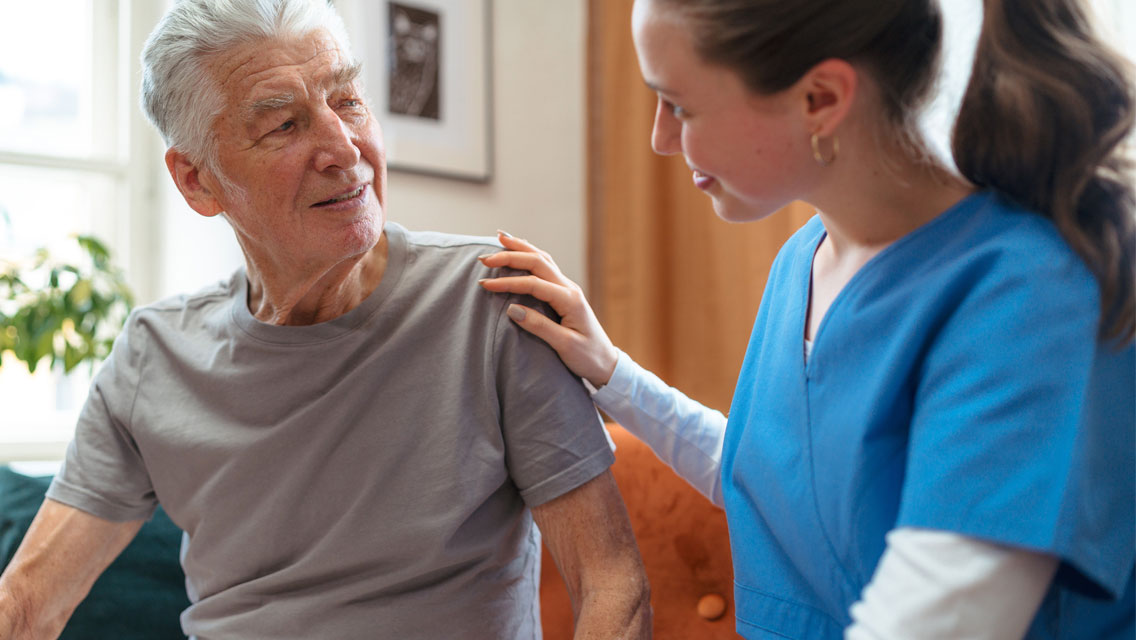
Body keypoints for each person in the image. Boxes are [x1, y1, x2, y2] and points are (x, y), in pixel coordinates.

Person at [478, 0, 1136, 637]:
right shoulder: (805, 259)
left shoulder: (1027, 295)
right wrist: (612, 372)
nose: (660, 139)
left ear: (820, 99)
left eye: (679, 104)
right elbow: (775, 486)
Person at [0, 1, 652, 638]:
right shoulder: (153, 358)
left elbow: (611, 584)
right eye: (284, 124)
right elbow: (28, 604)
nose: (345, 148)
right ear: (197, 180)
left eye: (347, 100)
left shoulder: (493, 303)